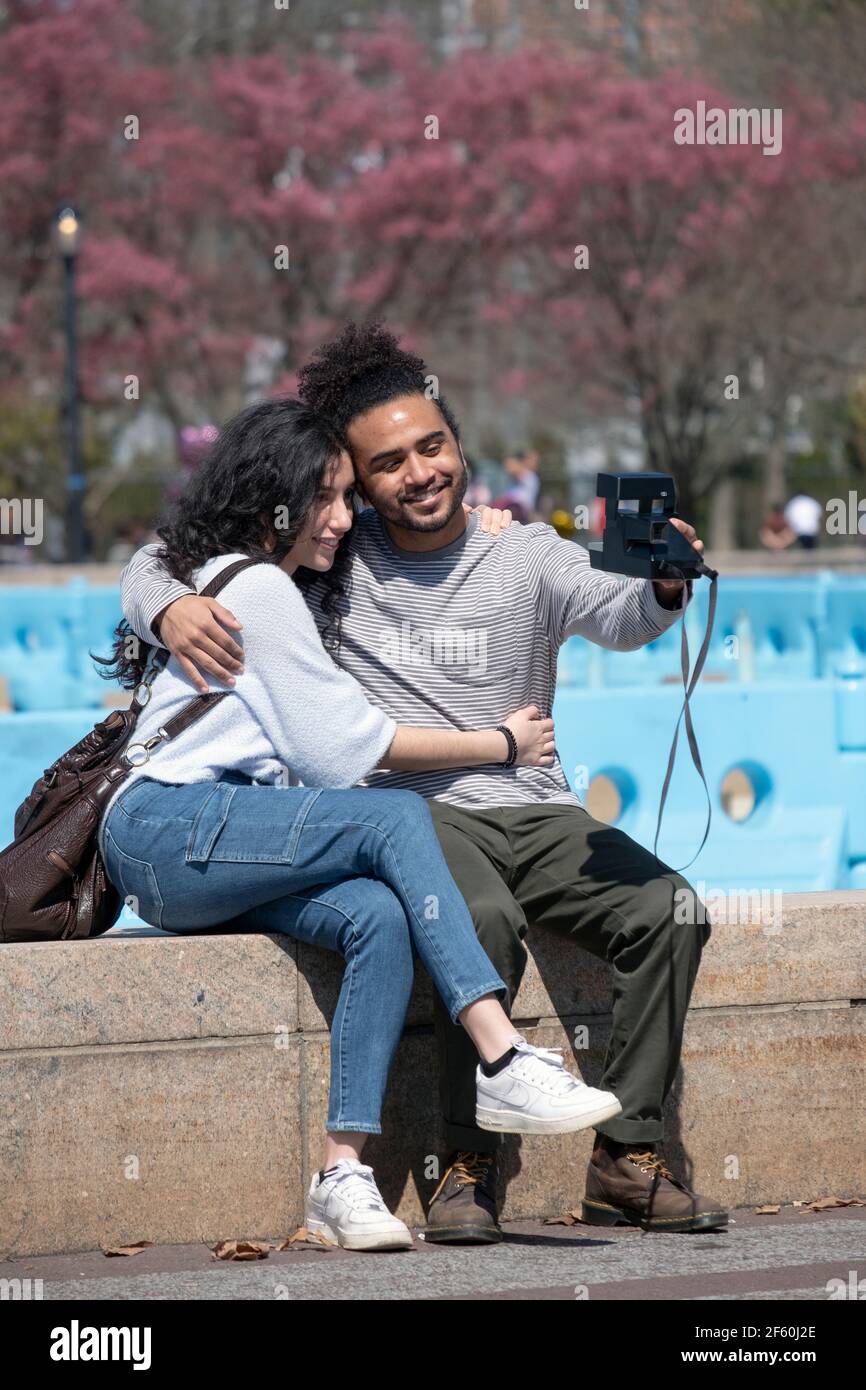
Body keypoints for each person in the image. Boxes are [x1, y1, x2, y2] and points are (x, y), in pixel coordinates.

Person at [118, 323, 726, 1240]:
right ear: (357, 483)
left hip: (535, 805)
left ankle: (628, 1158)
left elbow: (621, 613)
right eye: (390, 462)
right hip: (414, 810)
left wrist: (667, 585)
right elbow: (165, 554)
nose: (421, 473)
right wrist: (168, 607)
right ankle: (464, 1165)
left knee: (669, 907)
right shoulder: (332, 552)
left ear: (458, 442)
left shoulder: (525, 551)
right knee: (477, 917)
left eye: (432, 446)